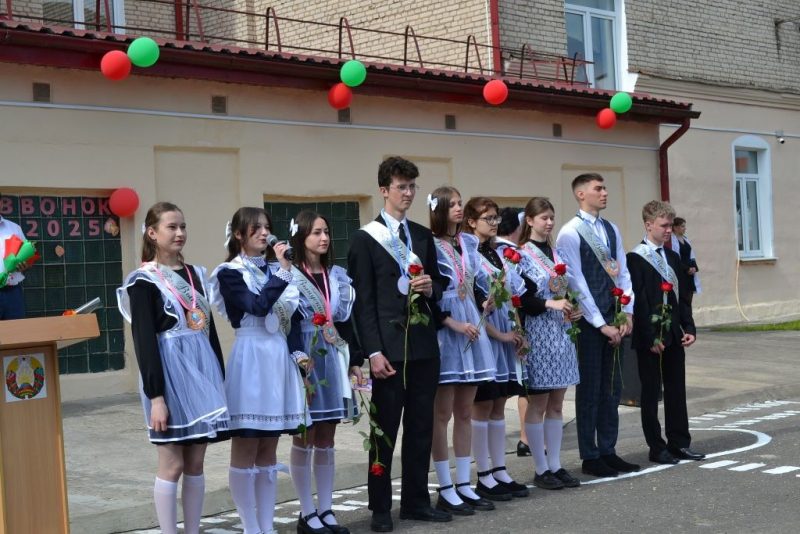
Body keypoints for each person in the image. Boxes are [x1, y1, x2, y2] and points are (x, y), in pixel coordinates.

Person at [347, 157, 450, 532]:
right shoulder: (365, 239)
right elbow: (363, 303)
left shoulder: (422, 235)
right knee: (384, 432)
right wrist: (372, 352)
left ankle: (416, 502)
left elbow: (440, 286)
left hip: (423, 346)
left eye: (412, 187)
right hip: (388, 351)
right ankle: (379, 508)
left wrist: (431, 287)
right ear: (384, 190)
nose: (407, 193)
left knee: (421, 427)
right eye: (401, 187)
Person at [116, 202, 229, 534]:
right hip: (167, 376)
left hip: (201, 373)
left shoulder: (196, 274)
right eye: (171, 227)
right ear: (152, 233)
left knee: (195, 462)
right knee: (172, 463)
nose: (179, 233)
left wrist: (218, 380)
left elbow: (208, 332)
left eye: (183, 226)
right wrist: (156, 397)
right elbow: (144, 341)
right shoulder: (143, 281)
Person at [210, 207, 311, 534]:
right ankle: (251, 527)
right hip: (251, 356)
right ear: (239, 234)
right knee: (246, 444)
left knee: (269, 447)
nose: (265, 233)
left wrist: (299, 357)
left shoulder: (277, 269)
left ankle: (267, 526)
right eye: (256, 228)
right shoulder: (229, 273)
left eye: (267, 227)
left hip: (278, 357)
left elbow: (292, 319)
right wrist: (282, 273)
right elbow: (257, 306)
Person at [555, 173, 639, 478]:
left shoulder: (611, 228)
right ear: (581, 194)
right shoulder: (570, 232)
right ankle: (589, 455)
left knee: (612, 387)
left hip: (615, 318)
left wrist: (627, 312)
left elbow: (622, 273)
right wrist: (601, 324)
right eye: (598, 188)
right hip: (592, 324)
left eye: (605, 188)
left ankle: (608, 449)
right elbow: (576, 282)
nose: (604, 193)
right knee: (590, 389)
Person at [288, 209, 364, 534]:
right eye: (316, 232)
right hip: (306, 358)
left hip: (332, 356)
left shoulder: (336, 276)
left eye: (326, 232)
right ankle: (307, 512)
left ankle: (326, 509)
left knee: (327, 435)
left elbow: (346, 322)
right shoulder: (291, 276)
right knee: (306, 433)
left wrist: (355, 360)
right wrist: (299, 361)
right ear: (301, 237)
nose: (324, 238)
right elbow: (289, 324)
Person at [428, 187, 497, 514]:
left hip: (470, 323)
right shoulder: (429, 244)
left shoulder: (467, 243)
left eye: (459, 203)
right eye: (452, 204)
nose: (458, 208)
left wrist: (484, 300)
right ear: (439, 209)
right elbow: (428, 295)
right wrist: (452, 323)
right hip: (448, 330)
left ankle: (465, 483)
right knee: (441, 414)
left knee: (465, 411)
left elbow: (473, 282)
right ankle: (445, 486)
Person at [627, 201, 703, 465]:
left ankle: (679, 443)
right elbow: (639, 301)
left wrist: (689, 327)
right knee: (650, 392)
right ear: (649, 225)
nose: (669, 230)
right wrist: (650, 336)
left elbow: (682, 297)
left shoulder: (672, 257)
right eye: (664, 225)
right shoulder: (635, 258)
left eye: (671, 225)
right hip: (650, 336)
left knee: (676, 390)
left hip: (673, 333)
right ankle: (656, 447)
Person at [464, 197, 529, 501]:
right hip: (486, 337)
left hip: (504, 332)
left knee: (499, 404)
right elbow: (475, 306)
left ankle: (500, 469)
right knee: (483, 405)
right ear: (471, 222)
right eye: (487, 218)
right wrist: (500, 335)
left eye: (495, 218)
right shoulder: (469, 254)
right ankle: (484, 475)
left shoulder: (497, 252)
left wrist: (517, 330)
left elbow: (510, 296)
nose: (493, 223)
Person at [516, 197, 582, 489]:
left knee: (557, 403)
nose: (549, 222)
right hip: (539, 332)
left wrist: (573, 307)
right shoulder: (521, 255)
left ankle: (556, 464)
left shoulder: (556, 254)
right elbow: (521, 299)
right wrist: (549, 303)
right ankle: (541, 468)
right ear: (529, 221)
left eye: (552, 217)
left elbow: (566, 290)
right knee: (538, 402)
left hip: (562, 331)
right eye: (543, 217)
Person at [0, 206, 30, 320]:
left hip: (12, 293)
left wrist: (25, 265)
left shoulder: (14, 228)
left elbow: (28, 257)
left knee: (17, 329)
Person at [670, 217, 701, 306]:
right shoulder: (672, 240)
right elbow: (675, 258)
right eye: (682, 226)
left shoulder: (685, 239)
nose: (685, 228)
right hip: (681, 273)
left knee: (689, 300)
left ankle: (688, 314)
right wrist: (686, 269)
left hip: (690, 274)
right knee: (682, 300)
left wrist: (694, 268)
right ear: (675, 227)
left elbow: (692, 255)